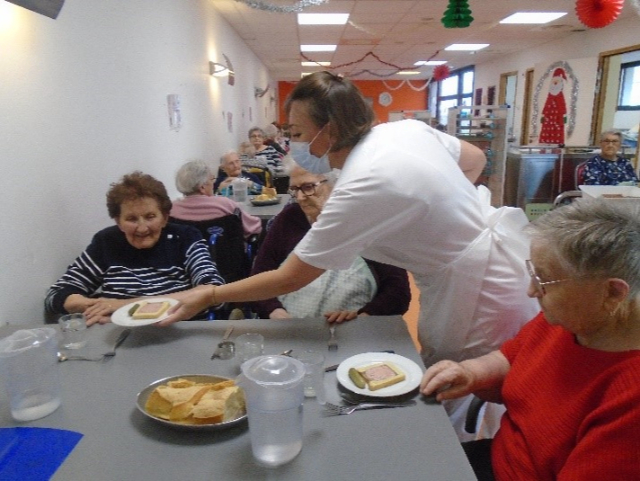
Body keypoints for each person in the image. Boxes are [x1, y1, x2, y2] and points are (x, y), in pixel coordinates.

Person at [159, 71, 539, 439]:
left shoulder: (363, 183)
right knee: (477, 380)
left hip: (477, 287)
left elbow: (291, 276)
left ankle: (472, 456)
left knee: (463, 387)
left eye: (297, 134)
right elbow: (474, 160)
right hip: (497, 258)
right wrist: (437, 217)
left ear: (331, 130)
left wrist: (208, 294)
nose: (293, 144)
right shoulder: (402, 130)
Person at [420, 198, 640, 481]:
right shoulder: (574, 319)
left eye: (544, 280)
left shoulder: (630, 397)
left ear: (612, 293)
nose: (532, 291)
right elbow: (511, 358)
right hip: (498, 459)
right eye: (533, 273)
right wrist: (471, 373)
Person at [45, 171, 224, 326]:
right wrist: (94, 306)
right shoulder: (106, 241)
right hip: (117, 336)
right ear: (118, 221)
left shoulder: (185, 237)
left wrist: (121, 306)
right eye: (131, 219)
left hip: (177, 331)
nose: (142, 228)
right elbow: (56, 295)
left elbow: (212, 291)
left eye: (150, 216)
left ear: (165, 217)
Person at [250, 164, 411, 322]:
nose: (299, 198)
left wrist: (363, 317)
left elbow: (398, 291)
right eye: (294, 190)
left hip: (353, 334)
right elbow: (260, 276)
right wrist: (275, 311)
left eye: (308, 187)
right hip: (291, 330)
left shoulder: (367, 222)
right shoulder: (289, 219)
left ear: (336, 184)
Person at [171, 159, 262, 239]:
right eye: (211, 179)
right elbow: (254, 227)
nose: (213, 184)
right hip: (225, 257)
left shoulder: (171, 209)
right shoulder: (226, 205)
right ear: (202, 187)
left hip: (187, 258)